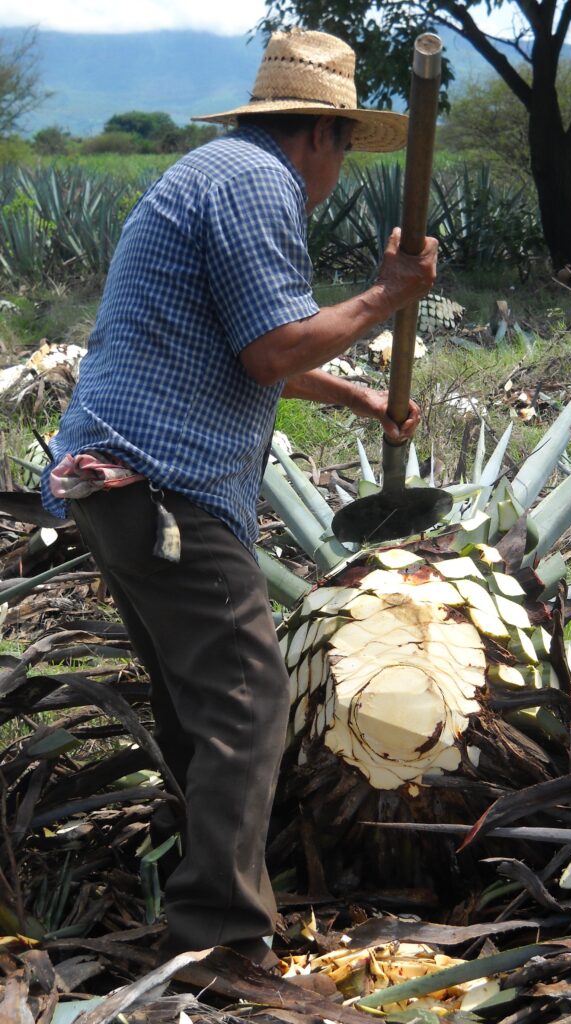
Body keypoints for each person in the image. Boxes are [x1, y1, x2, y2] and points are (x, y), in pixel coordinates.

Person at [41, 28, 438, 968]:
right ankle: (221, 940)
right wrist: (385, 297)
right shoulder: (260, 184)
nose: (339, 166)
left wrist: (355, 393)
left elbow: (243, 347)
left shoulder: (216, 171)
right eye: (343, 146)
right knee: (250, 697)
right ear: (322, 136)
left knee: (195, 708)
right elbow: (269, 349)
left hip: (114, 483)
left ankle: (211, 887)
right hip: (163, 483)